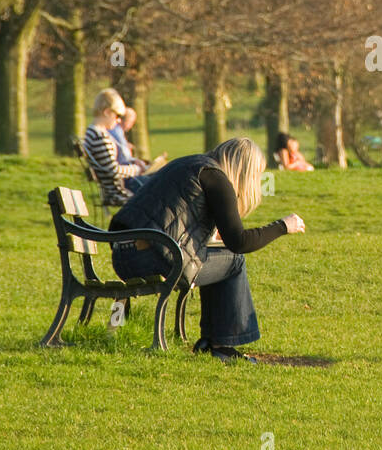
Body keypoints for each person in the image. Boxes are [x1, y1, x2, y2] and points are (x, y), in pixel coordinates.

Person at [108, 137, 305, 363]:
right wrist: (282, 226)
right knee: (234, 260)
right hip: (149, 259)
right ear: (245, 170)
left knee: (220, 259)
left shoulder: (192, 164)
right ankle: (223, 345)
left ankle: (210, 342)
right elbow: (239, 241)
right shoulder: (216, 178)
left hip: (124, 255)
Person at [83, 88, 164, 205]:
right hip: (119, 192)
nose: (118, 120)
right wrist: (137, 169)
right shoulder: (99, 136)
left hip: (116, 188)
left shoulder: (93, 132)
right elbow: (113, 171)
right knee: (163, 185)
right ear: (107, 112)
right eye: (117, 116)